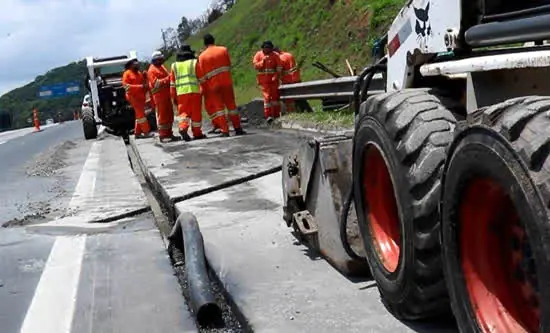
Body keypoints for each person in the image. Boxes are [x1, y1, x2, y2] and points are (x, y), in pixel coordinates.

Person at [197, 33, 246, 137]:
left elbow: (203, 75)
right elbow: (228, 64)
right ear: (214, 40)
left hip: (213, 85)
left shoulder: (201, 57)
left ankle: (225, 131)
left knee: (219, 109)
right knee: (232, 107)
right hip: (226, 82)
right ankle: (238, 128)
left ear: (205, 44)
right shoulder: (223, 50)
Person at [170, 45, 206, 141]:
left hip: (181, 93)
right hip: (194, 91)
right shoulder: (194, 63)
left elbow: (172, 84)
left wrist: (173, 97)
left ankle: (183, 128)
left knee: (183, 113)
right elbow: (202, 78)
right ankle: (197, 133)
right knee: (196, 113)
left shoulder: (174, 66)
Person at [274, 46, 313, 113]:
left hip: (288, 81)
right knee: (301, 98)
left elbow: (278, 72)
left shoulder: (279, 59)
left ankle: (297, 112)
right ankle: (308, 111)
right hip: (297, 79)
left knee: (288, 99)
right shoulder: (288, 55)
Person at [147, 51, 176, 142]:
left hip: (166, 95)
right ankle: (163, 135)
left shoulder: (162, 67)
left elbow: (168, 77)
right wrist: (169, 78)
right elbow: (156, 84)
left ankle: (169, 133)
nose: (162, 60)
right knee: (163, 116)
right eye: (160, 59)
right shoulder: (151, 70)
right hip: (159, 97)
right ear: (155, 60)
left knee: (169, 115)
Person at [253, 40, 283, 123]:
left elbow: (279, 67)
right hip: (264, 81)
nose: (267, 49)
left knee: (275, 98)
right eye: (266, 48)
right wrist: (263, 61)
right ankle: (268, 115)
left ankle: (276, 115)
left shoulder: (275, 55)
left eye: (269, 48)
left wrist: (276, 76)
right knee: (267, 98)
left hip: (273, 80)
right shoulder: (258, 55)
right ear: (263, 48)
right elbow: (255, 66)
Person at [122, 58, 152, 138]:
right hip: (133, 97)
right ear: (130, 65)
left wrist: (146, 77)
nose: (137, 64)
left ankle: (137, 133)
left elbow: (145, 85)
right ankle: (146, 132)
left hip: (141, 97)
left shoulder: (139, 73)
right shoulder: (127, 73)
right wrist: (140, 87)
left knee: (139, 115)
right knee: (141, 115)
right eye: (134, 63)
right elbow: (126, 86)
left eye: (137, 62)